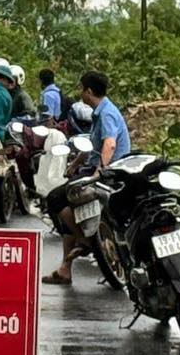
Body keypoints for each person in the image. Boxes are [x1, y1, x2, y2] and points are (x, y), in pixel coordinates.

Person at [43, 71, 130, 284]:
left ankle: (85, 239)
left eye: (82, 89)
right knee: (65, 207)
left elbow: (109, 144)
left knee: (55, 199)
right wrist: (74, 165)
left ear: (89, 91)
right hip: (95, 168)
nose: (81, 93)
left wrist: (99, 171)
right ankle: (65, 268)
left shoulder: (107, 113)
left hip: (108, 173)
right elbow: (93, 145)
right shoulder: (100, 112)